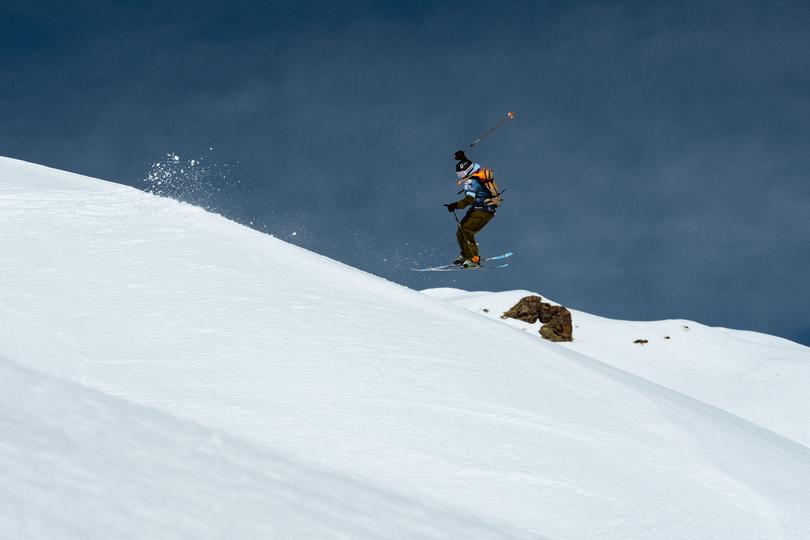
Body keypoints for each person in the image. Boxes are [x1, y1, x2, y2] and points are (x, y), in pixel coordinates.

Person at [445, 150, 501, 268]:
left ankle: (473, 259)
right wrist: (463, 158)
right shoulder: (475, 173)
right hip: (480, 209)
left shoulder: (471, 181)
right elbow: (468, 165)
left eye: (460, 174)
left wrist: (454, 205)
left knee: (466, 230)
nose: (460, 177)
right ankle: (465, 254)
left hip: (483, 210)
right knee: (460, 231)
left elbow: (468, 200)